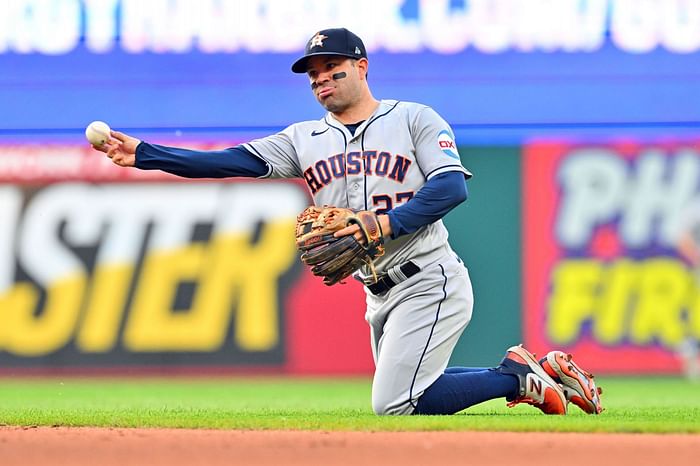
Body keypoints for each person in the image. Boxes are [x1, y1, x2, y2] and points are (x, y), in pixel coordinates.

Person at [92, 27, 602, 415]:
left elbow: (450, 187)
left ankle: (516, 378)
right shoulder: (303, 138)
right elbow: (229, 161)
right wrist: (145, 154)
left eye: (332, 68)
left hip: (429, 277)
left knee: (395, 404)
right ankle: (525, 372)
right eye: (313, 73)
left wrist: (383, 225)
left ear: (362, 68)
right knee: (414, 389)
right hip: (375, 290)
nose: (321, 79)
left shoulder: (414, 119)